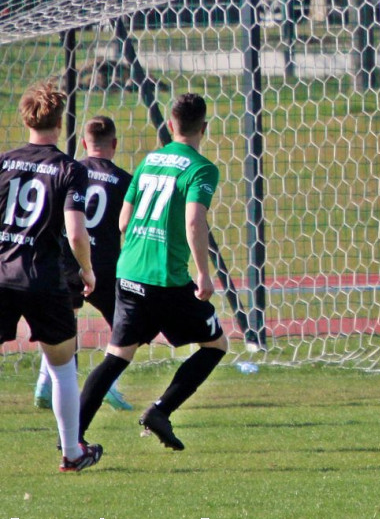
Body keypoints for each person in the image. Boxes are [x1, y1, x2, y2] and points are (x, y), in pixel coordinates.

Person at [78, 93, 228, 450]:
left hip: (128, 274)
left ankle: (72, 437)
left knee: (117, 357)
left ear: (171, 125)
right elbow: (194, 221)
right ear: (203, 128)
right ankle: (160, 411)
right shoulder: (201, 168)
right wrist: (204, 275)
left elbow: (124, 220)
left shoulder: (148, 162)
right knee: (216, 344)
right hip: (167, 280)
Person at [0, 82, 103, 471]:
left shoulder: (4, 161)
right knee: (62, 367)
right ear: (60, 123)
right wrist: (87, 270)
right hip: (42, 278)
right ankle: (72, 454)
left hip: (1, 273)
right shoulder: (69, 169)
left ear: (25, 118)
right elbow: (76, 233)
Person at [34, 116, 133, 411]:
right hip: (103, 266)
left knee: (62, 322)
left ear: (85, 143)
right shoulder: (125, 180)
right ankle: (109, 385)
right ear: (114, 144)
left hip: (64, 260)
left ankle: (44, 382)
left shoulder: (67, 171)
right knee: (125, 326)